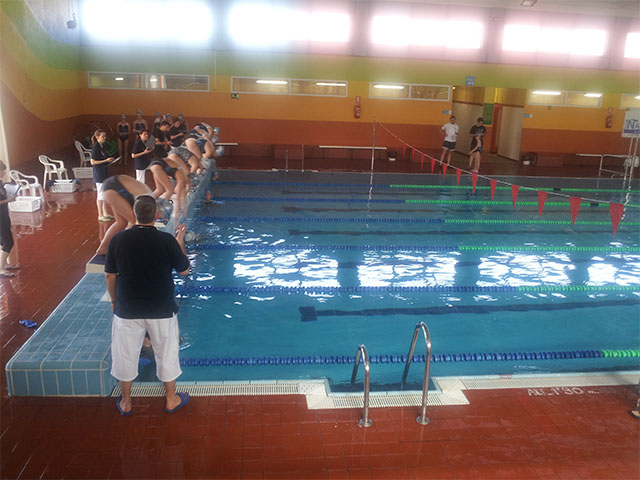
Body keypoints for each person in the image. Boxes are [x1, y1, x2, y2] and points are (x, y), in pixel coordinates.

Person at [105, 194, 190, 415]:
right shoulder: (166, 241)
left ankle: (126, 402)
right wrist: (179, 242)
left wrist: (115, 301)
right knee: (167, 353)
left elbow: (110, 276)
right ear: (157, 216)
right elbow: (184, 271)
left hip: (128, 309)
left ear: (134, 215)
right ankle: (171, 399)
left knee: (125, 354)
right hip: (161, 309)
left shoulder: (118, 240)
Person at [95, 175, 152, 255]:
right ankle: (124, 248)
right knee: (135, 222)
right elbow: (139, 224)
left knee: (121, 222)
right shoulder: (148, 200)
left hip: (112, 186)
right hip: (115, 188)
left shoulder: (149, 201)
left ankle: (103, 248)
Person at [90, 129, 114, 222]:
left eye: (105, 136)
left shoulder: (101, 146)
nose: (105, 138)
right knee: (100, 195)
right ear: (97, 137)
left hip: (104, 172)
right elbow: (93, 162)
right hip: (99, 174)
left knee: (104, 194)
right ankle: (100, 215)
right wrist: (105, 161)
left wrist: (109, 159)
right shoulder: (95, 147)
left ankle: (105, 212)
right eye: (102, 136)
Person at [0, 160, 19, 277]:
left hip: (3, 215)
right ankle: (1, 269)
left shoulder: (0, 183)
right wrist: (8, 200)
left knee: (3, 241)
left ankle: (4, 264)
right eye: (2, 170)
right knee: (8, 242)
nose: (3, 172)